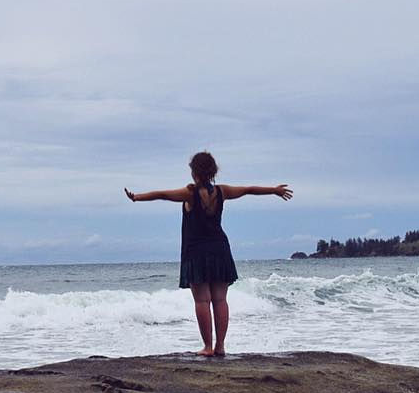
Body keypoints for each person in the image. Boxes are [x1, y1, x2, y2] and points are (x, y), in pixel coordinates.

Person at [124, 152, 293, 357]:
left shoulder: (189, 193)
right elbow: (248, 190)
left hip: (196, 251)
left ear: (194, 172)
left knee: (202, 301)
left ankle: (207, 347)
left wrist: (137, 197)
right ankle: (220, 346)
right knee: (220, 300)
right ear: (213, 171)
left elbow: (162, 195)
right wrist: (274, 190)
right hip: (220, 249)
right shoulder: (223, 191)